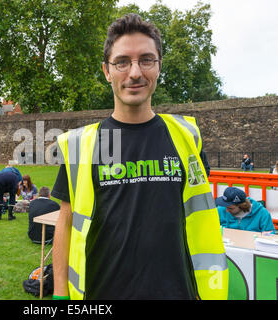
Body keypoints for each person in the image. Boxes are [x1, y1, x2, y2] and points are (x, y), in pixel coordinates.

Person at [51, 14, 227, 300]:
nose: (135, 72)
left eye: (146, 60)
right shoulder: (81, 144)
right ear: (107, 71)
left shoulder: (187, 138)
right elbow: (66, 222)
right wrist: (60, 293)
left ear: (158, 67)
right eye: (122, 62)